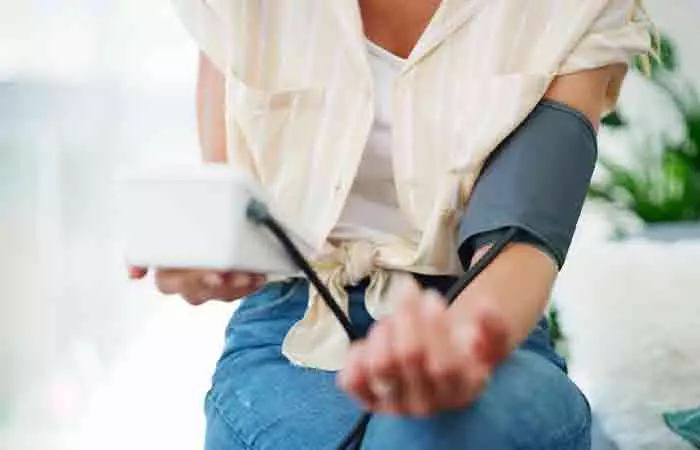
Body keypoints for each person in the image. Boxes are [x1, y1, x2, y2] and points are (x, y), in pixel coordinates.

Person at [129, 1, 652, 448]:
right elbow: (240, 211)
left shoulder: (570, 9)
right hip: (293, 324)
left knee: (426, 433)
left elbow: (521, 233)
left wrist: (460, 340)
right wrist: (210, 259)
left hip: (487, 313)